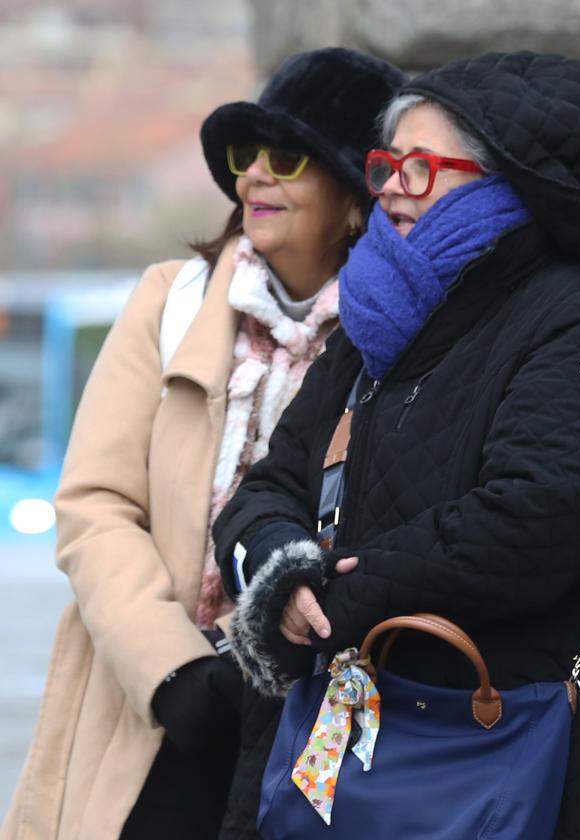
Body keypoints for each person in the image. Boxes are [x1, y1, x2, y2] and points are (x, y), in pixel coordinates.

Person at [211, 51, 580, 839]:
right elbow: (266, 487)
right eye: (387, 166)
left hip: (493, 751)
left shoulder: (574, 320)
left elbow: (536, 516)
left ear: (501, 181)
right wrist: (283, 567)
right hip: (341, 745)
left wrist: (340, 597)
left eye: (418, 169)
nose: (387, 189)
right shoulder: (374, 321)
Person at [0, 48, 405, 840]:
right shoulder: (170, 301)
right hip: (152, 702)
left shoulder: (392, 338)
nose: (255, 174)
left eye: (286, 157)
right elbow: (94, 504)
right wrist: (176, 669)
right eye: (242, 156)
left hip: (311, 710)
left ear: (355, 199)